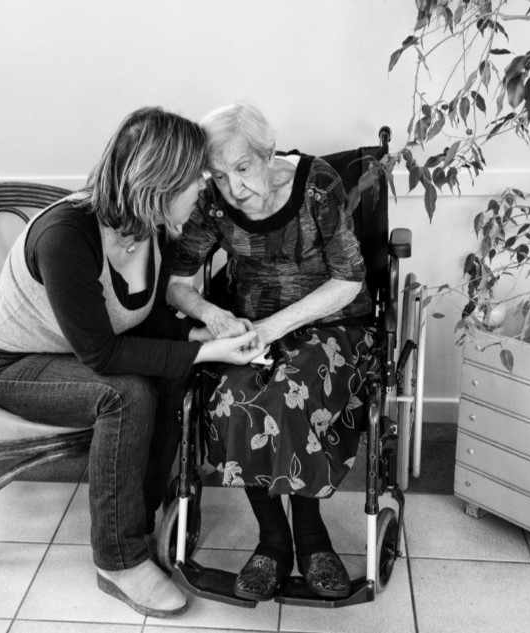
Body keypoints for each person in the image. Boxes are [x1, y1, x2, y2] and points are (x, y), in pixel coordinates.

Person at [0, 107, 264, 618]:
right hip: (14, 363)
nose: (205, 191)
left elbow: (147, 326)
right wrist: (207, 347)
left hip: (75, 351)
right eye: (197, 181)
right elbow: (102, 354)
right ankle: (118, 558)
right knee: (126, 394)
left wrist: (211, 330)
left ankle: (146, 517)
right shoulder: (67, 235)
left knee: (172, 373)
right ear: (160, 183)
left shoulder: (149, 229)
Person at [166, 102, 377, 601]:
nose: (234, 188)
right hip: (247, 325)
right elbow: (177, 284)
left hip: (333, 323)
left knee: (292, 394)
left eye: (242, 169)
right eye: (218, 175)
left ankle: (311, 537)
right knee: (229, 399)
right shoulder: (213, 204)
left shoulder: (317, 184)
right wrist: (214, 317)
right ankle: (273, 541)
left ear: (266, 153)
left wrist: (274, 326)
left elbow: (349, 279)